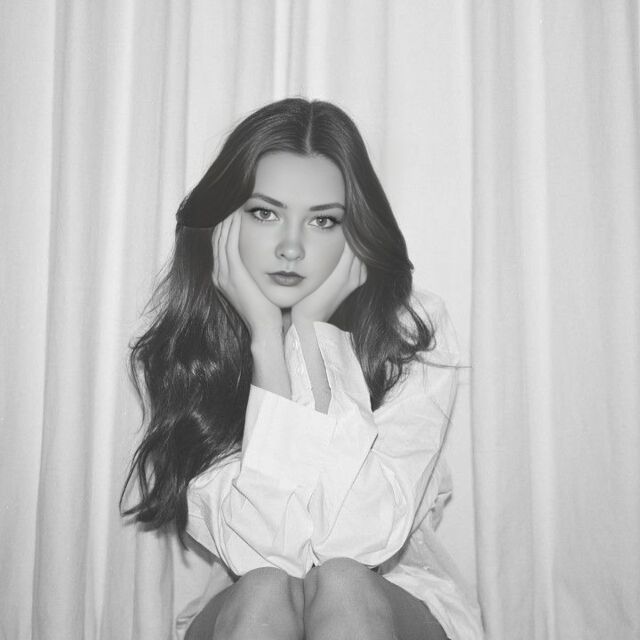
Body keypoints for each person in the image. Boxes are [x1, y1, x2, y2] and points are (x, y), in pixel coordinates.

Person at [121, 98, 484, 640]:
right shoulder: (197, 344)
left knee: (344, 584)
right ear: (223, 224)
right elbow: (268, 552)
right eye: (265, 213)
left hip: (392, 596)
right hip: (250, 600)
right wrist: (267, 344)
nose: (291, 247)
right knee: (266, 588)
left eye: (322, 220)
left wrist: (313, 337)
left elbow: (353, 544)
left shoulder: (410, 332)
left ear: (353, 231)